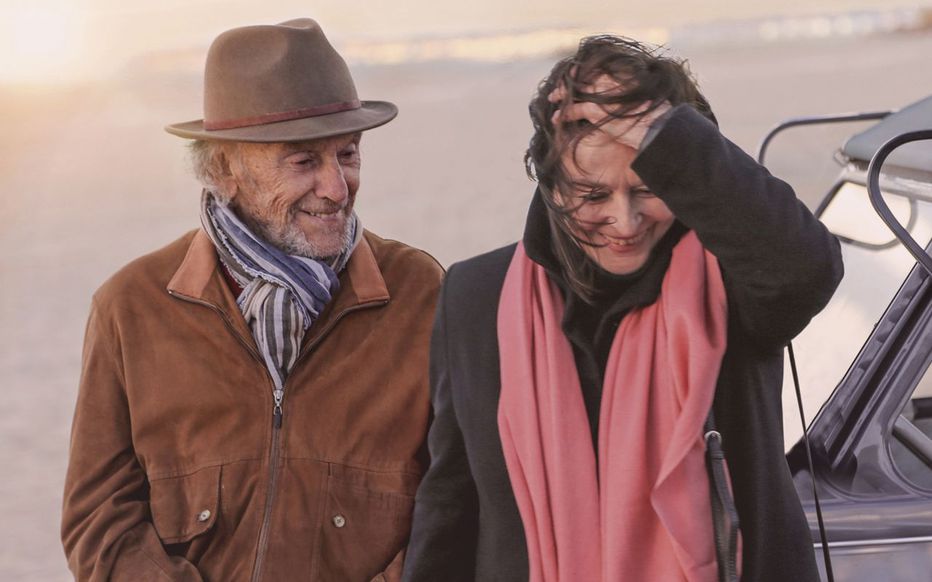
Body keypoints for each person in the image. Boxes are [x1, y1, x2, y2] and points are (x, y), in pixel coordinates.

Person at [402, 36, 842, 582]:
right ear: (550, 185)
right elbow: (449, 504)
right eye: (592, 196)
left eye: (647, 189)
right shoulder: (475, 296)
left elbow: (808, 268)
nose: (626, 222)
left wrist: (666, 133)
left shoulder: (733, 281)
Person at [61, 18, 442, 581]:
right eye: (303, 161)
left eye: (347, 154)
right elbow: (99, 521)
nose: (337, 188)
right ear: (225, 169)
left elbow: (454, 502)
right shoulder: (130, 307)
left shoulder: (421, 293)